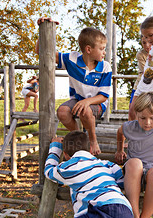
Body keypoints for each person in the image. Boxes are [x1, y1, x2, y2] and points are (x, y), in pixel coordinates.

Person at [44, 131, 134, 218]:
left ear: (66, 155)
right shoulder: (107, 165)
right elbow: (122, 181)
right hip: (126, 215)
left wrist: (55, 147)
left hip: (104, 214)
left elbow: (49, 171)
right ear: (91, 149)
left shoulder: (69, 167)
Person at [37, 17, 112, 155]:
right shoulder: (71, 59)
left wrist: (87, 102)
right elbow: (44, 53)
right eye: (101, 49)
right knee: (62, 112)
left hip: (97, 103)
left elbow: (103, 96)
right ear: (88, 49)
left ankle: (92, 140)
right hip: (78, 99)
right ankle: (79, 137)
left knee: (85, 110)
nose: (104, 52)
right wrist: (42, 31)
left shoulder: (105, 67)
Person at [130, 35, 152, 106]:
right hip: (140, 84)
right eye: (144, 43)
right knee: (132, 107)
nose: (147, 45)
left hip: (152, 86)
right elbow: (146, 71)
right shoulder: (140, 54)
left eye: (149, 42)